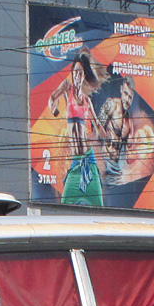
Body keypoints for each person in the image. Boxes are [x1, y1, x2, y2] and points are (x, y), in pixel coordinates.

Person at [48, 49, 107, 206]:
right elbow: (52, 97)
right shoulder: (68, 88)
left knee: (98, 206)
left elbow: (99, 126)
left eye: (80, 73)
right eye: (75, 72)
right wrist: (54, 109)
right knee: (66, 203)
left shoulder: (87, 101)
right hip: (75, 163)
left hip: (89, 160)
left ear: (84, 76)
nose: (77, 76)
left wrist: (111, 135)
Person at [98, 74, 154, 187]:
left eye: (130, 97)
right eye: (125, 94)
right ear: (121, 90)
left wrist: (143, 141)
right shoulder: (112, 104)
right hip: (104, 161)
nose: (127, 100)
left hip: (117, 168)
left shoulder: (129, 121)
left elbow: (130, 151)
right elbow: (96, 128)